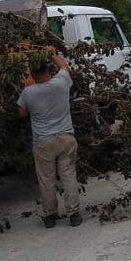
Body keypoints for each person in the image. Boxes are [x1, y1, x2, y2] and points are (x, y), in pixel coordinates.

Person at [17, 50, 83, 228]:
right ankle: (74, 213)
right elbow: (64, 66)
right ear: (48, 69)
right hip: (66, 138)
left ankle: (50, 215)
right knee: (68, 175)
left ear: (31, 73)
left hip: (43, 143)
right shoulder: (61, 82)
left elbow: (21, 114)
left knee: (47, 179)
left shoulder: (28, 93)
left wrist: (27, 85)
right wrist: (52, 53)